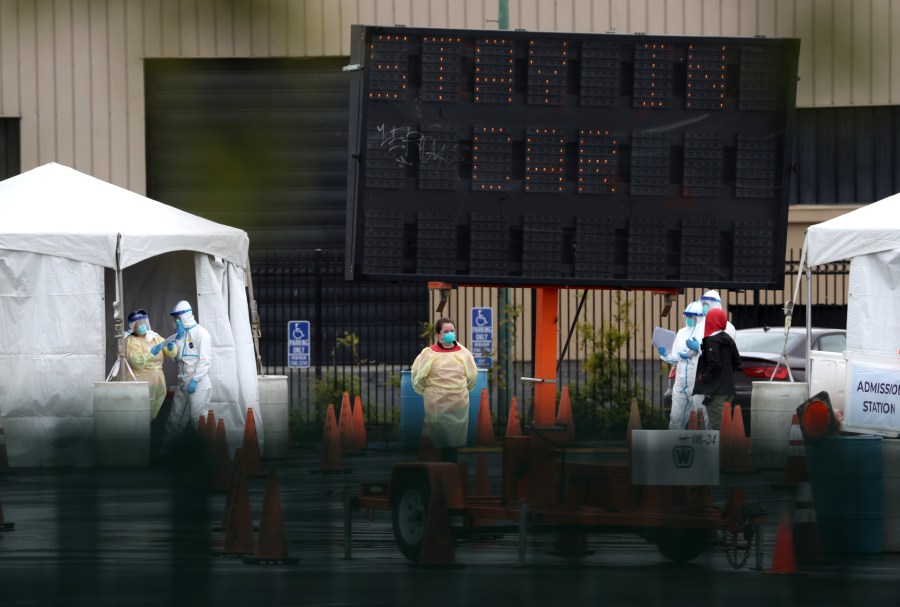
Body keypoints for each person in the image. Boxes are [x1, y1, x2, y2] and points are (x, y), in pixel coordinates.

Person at [410, 317, 478, 463]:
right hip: (436, 401)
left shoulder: (464, 353)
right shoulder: (428, 353)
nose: (450, 334)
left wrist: (461, 389)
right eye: (446, 331)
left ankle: (449, 466)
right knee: (439, 435)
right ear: (438, 334)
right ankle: (446, 466)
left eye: (452, 331)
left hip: (457, 401)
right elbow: (418, 375)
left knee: (452, 437)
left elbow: (472, 376)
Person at [153, 300, 212, 453]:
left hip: (197, 383)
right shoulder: (180, 335)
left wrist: (196, 379)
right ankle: (166, 450)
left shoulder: (202, 334)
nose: (176, 321)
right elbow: (176, 359)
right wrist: (173, 348)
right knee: (174, 417)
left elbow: (205, 361)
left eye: (178, 317)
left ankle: (206, 453)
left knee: (198, 419)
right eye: (175, 318)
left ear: (185, 316)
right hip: (182, 381)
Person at [692, 308, 741, 430]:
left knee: (718, 427)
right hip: (728, 389)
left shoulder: (711, 340)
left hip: (716, 391)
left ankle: (721, 449)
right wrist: (726, 373)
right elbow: (737, 361)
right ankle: (728, 448)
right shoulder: (728, 339)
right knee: (727, 423)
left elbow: (715, 364)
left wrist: (703, 378)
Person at [659, 301, 704, 429]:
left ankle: (708, 446)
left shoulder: (703, 333)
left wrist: (697, 350)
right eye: (687, 316)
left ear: (699, 317)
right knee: (676, 417)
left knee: (703, 416)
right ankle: (674, 444)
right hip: (680, 381)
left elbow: (707, 354)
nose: (689, 319)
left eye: (692, 316)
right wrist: (665, 354)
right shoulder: (681, 332)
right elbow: (675, 356)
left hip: (695, 380)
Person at [124, 309, 169, 420]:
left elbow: (170, 352)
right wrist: (151, 354)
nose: (142, 325)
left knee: (151, 415)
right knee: (139, 414)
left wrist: (171, 347)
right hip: (140, 383)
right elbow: (136, 362)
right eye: (138, 324)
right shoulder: (130, 340)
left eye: (143, 322)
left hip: (157, 381)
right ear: (132, 326)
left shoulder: (154, 336)